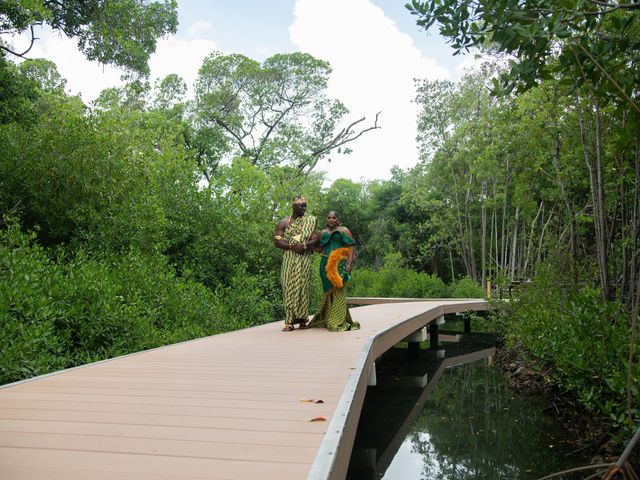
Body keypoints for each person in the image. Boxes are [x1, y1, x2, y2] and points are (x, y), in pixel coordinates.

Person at [308, 211, 360, 332]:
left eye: (334, 217)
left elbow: (351, 247)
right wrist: (311, 242)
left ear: (338, 219)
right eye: (329, 217)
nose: (331, 219)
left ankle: (336, 320)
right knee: (328, 291)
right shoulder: (322, 233)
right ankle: (327, 318)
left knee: (339, 290)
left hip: (340, 264)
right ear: (326, 219)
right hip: (325, 265)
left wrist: (350, 263)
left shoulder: (344, 230)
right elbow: (319, 250)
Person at [273, 196, 318, 332]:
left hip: (303, 259)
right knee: (288, 287)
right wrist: (293, 246)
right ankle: (289, 321)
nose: (304, 208)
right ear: (293, 206)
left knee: (303, 287)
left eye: (305, 206)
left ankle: (303, 319)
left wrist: (303, 245)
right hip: (289, 259)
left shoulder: (310, 221)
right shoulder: (283, 223)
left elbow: (315, 239)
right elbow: (277, 241)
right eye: (301, 206)